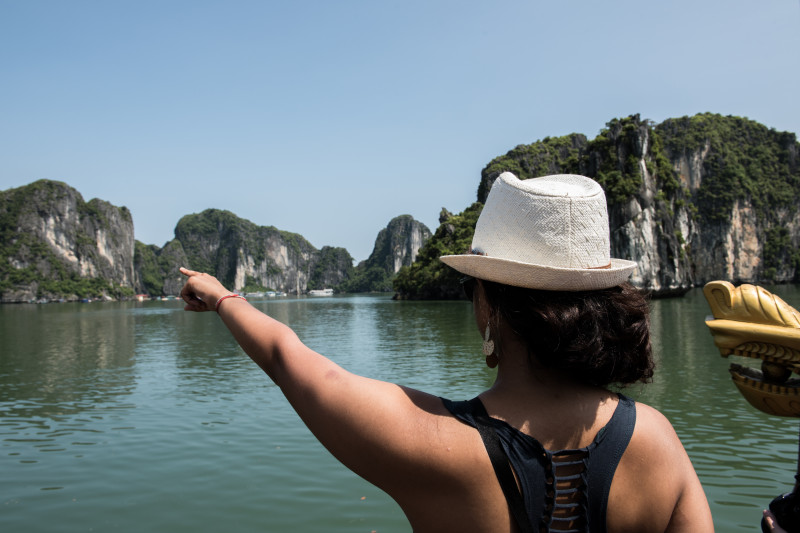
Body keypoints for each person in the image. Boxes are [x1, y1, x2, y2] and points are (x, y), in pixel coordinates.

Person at [179, 172, 714, 532]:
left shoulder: (434, 445)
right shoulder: (658, 441)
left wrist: (223, 296)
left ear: (489, 306)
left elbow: (287, 359)